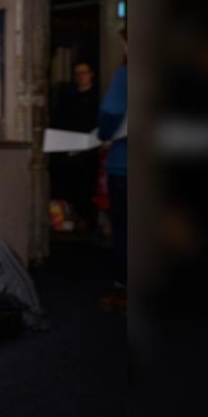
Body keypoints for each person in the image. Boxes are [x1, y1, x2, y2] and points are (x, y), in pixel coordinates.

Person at [51, 61, 101, 232]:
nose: (80, 76)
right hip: (70, 149)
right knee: (71, 186)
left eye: (83, 73)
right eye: (77, 73)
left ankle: (89, 223)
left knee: (88, 186)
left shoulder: (97, 97)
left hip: (90, 149)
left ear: (91, 74)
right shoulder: (68, 97)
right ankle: (73, 220)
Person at [98, 29, 127, 307]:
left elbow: (111, 112)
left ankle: (124, 292)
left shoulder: (127, 73)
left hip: (126, 166)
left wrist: (103, 134)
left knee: (125, 230)